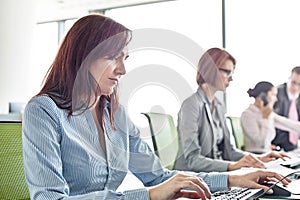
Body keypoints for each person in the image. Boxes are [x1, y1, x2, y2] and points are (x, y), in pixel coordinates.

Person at [22, 15, 290, 200]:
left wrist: (234, 180)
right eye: (114, 58)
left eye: (125, 58)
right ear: (83, 57)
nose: (123, 69)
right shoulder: (44, 112)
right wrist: (149, 196)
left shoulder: (116, 115)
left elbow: (159, 177)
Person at [174, 48, 287, 173]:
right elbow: (192, 160)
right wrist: (232, 166)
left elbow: (229, 151)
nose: (231, 79)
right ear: (210, 70)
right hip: (190, 180)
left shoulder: (219, 106)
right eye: (227, 72)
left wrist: (259, 158)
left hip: (214, 175)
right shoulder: (191, 105)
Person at [241, 81, 300, 153]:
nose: (276, 99)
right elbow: (262, 143)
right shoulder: (247, 115)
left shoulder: (269, 114)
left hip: (268, 154)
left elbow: (289, 124)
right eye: (273, 95)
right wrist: (265, 118)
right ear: (262, 97)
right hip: (255, 156)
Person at [272, 66, 300, 151]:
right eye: (293, 82)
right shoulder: (275, 93)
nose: (295, 87)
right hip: (275, 145)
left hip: (294, 146)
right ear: (289, 78)